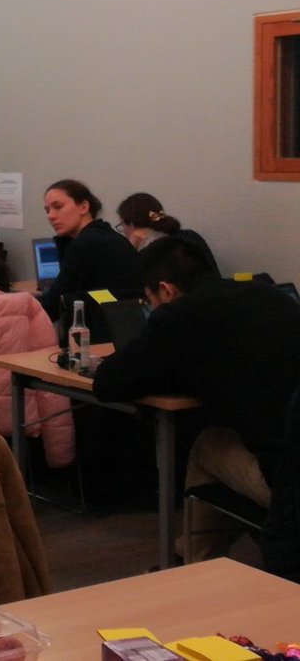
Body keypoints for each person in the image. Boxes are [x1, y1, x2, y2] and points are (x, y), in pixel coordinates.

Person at [93, 237, 300, 561]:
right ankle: (192, 554)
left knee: (207, 443)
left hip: (286, 485)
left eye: (150, 302)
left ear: (166, 290)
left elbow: (108, 383)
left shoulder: (178, 316)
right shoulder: (274, 297)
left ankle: (192, 561)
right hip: (290, 457)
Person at [38, 178, 140, 320]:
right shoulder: (107, 235)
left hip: (103, 332)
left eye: (58, 207)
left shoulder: (86, 244)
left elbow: (52, 304)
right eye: (47, 210)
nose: (51, 216)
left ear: (84, 207)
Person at [116, 191, 220, 274]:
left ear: (131, 224)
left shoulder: (151, 251)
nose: (123, 231)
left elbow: (130, 283)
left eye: (122, 226)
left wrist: (132, 249)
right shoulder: (190, 236)